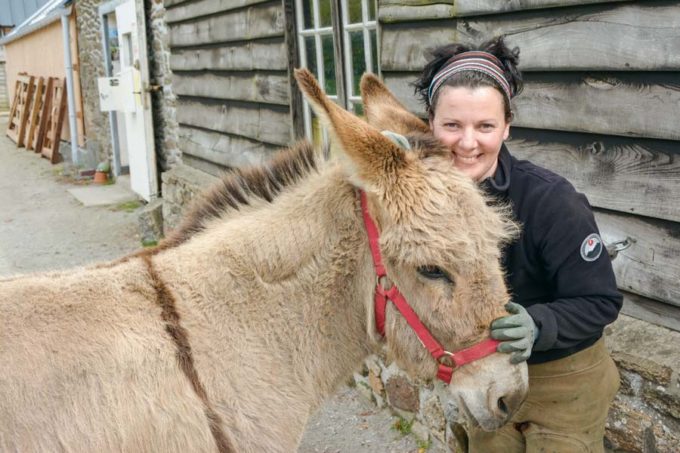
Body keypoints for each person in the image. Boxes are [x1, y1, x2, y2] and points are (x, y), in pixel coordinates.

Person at [413, 37, 623, 452]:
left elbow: (601, 301)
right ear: (431, 123)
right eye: (452, 125)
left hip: (566, 377)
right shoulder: (423, 198)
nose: (467, 143)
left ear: (507, 126)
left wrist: (538, 324)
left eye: (485, 126)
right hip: (484, 369)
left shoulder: (552, 201)